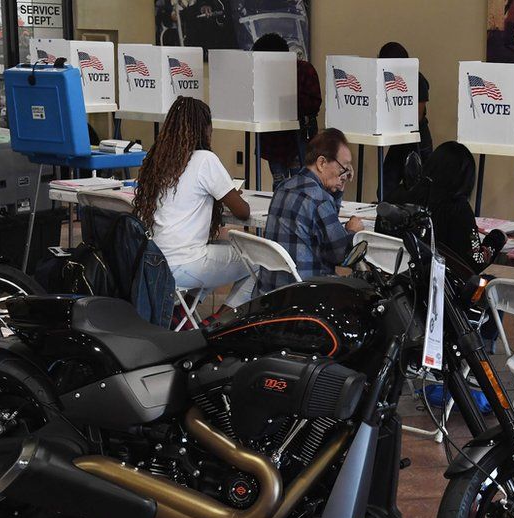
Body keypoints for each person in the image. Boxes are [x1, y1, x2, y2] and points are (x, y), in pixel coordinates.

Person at [133, 96, 254, 315]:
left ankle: (185, 313)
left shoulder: (159, 162)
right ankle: (221, 322)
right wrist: (231, 193)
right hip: (185, 263)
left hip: (155, 262)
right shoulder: (205, 160)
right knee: (258, 261)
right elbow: (243, 212)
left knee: (221, 254)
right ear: (205, 129)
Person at [260, 129, 364, 293]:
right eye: (343, 168)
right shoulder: (319, 199)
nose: (346, 173)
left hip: (271, 292)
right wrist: (352, 231)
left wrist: (340, 185)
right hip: (305, 293)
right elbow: (341, 255)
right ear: (322, 163)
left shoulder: (283, 187)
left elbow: (327, 225)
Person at [388, 142, 492, 272]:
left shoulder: (398, 196)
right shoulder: (459, 210)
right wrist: (495, 241)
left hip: (397, 280)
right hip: (436, 284)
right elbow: (476, 260)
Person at [252, 33, 322, 185]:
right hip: (274, 139)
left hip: (299, 137)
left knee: (302, 184)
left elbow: (314, 104)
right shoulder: (262, 73)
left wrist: (286, 96)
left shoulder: (304, 70)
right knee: (279, 185)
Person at [378, 42, 433, 199]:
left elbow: (417, 116)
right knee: (385, 187)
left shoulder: (417, 79)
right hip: (398, 138)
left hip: (417, 138)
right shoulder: (387, 79)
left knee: (420, 187)